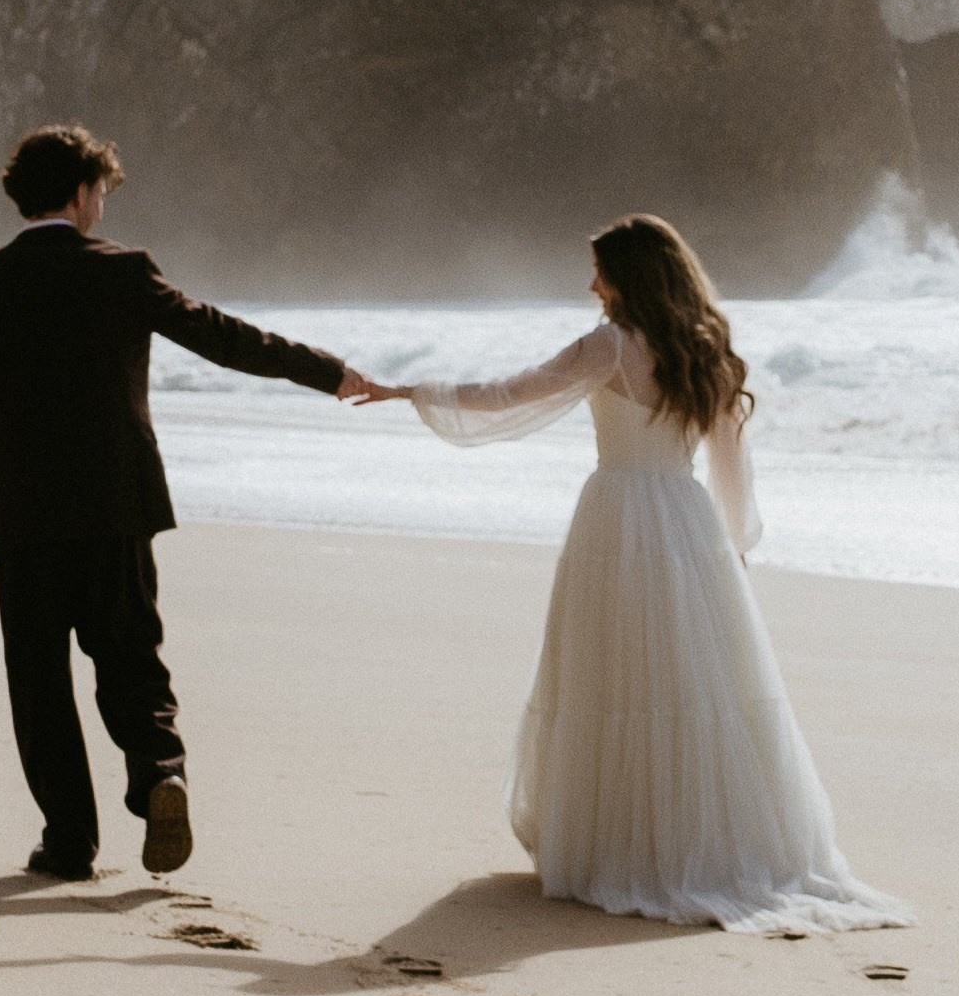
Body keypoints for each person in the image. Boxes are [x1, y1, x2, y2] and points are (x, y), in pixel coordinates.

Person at [368, 213, 905, 934]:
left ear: (629, 275)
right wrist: (734, 545)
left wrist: (415, 392)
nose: (591, 283)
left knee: (613, 678)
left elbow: (513, 392)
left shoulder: (611, 345)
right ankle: (687, 844)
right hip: (687, 524)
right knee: (688, 687)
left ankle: (626, 850)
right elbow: (730, 465)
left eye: (600, 269)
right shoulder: (704, 348)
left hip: (618, 517)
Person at [0, 126, 381, 880]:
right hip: (117, 506)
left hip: (25, 516)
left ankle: (68, 842)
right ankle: (160, 772)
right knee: (130, 656)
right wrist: (327, 371)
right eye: (101, 192)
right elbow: (222, 337)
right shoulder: (123, 271)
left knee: (39, 677)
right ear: (82, 192)